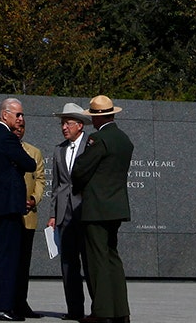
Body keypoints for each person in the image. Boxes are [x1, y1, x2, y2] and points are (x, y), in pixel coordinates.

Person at [70, 95, 133, 323]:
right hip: (116, 207)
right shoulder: (124, 139)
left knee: (97, 260)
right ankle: (121, 311)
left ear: (97, 118)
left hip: (96, 207)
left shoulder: (99, 139)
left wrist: (78, 188)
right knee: (112, 258)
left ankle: (103, 312)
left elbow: (80, 169)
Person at [0, 99, 37, 322]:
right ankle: (2, 307)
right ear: (5, 115)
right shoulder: (6, 137)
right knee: (7, 258)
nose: (21, 119)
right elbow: (29, 164)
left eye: (22, 115)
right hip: (8, 206)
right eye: (18, 115)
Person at [49, 103, 94, 323]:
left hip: (85, 213)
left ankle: (98, 309)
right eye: (62, 123)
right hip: (64, 214)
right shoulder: (59, 150)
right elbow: (56, 185)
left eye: (67, 123)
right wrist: (52, 214)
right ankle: (74, 309)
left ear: (79, 125)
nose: (64, 127)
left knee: (90, 262)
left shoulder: (92, 145)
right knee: (68, 264)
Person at [17, 118, 46, 319]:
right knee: (8, 262)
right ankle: (5, 301)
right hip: (8, 215)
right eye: (16, 126)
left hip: (28, 216)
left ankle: (21, 302)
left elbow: (41, 179)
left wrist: (34, 199)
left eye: (23, 127)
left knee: (23, 263)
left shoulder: (34, 152)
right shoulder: (1, 148)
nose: (20, 129)